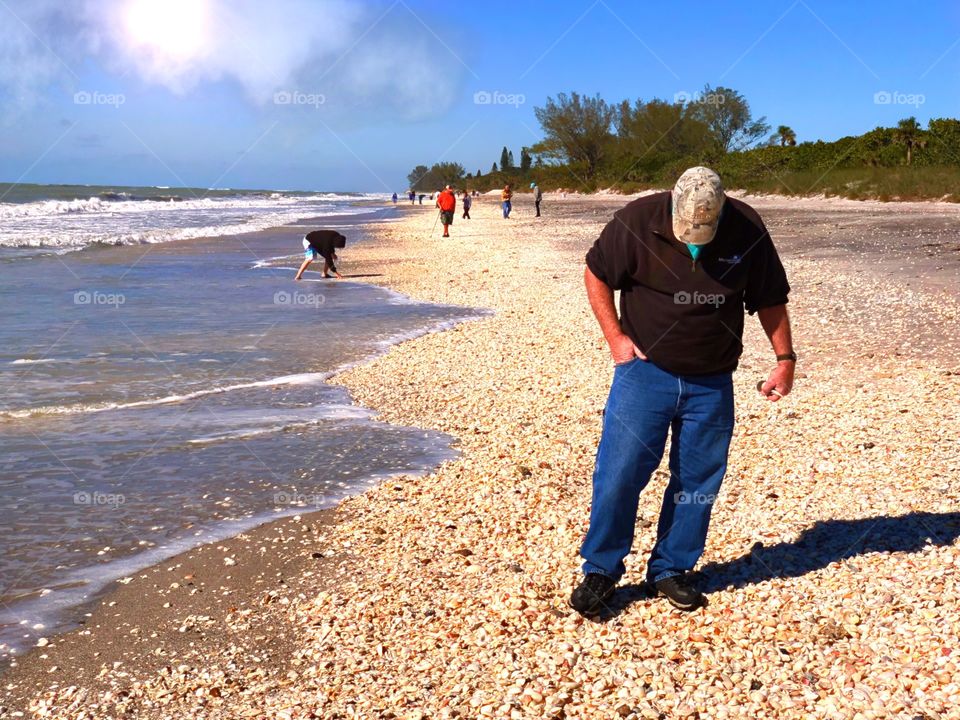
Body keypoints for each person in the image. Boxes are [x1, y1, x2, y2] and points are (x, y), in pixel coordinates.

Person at [569, 166, 795, 616]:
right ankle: (601, 569)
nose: (696, 235)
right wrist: (616, 338)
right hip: (644, 376)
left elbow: (769, 297)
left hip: (712, 381)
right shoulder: (637, 220)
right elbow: (596, 274)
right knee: (619, 473)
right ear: (672, 206)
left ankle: (671, 569)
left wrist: (784, 360)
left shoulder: (746, 226)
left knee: (696, 483)